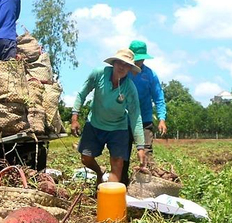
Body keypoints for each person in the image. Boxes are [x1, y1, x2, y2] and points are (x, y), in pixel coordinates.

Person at [69, 49, 145, 184]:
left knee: (118, 164)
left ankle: (109, 197)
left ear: (129, 68)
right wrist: (75, 117)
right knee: (86, 158)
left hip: (118, 128)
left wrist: (140, 147)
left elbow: (135, 116)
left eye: (126, 64)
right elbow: (82, 93)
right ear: (114, 63)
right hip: (95, 123)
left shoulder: (130, 88)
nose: (122, 67)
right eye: (119, 62)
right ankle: (99, 173)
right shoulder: (99, 74)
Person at [126, 40, 167, 166]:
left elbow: (159, 97)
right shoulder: (123, 71)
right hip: (124, 120)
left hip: (144, 119)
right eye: (137, 59)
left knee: (146, 151)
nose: (140, 62)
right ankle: (121, 183)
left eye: (142, 59)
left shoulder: (150, 75)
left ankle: (147, 182)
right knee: (122, 153)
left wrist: (161, 119)